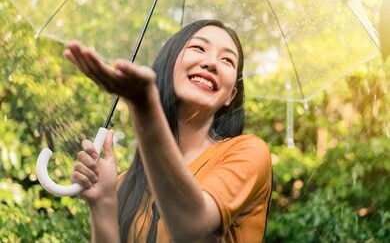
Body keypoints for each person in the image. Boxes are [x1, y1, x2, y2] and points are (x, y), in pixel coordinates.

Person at [66, 19, 272, 243]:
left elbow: (191, 223)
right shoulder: (127, 182)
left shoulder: (249, 153)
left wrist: (144, 106)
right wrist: (103, 201)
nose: (212, 63)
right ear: (170, 63)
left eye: (227, 60)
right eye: (198, 48)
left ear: (230, 95)